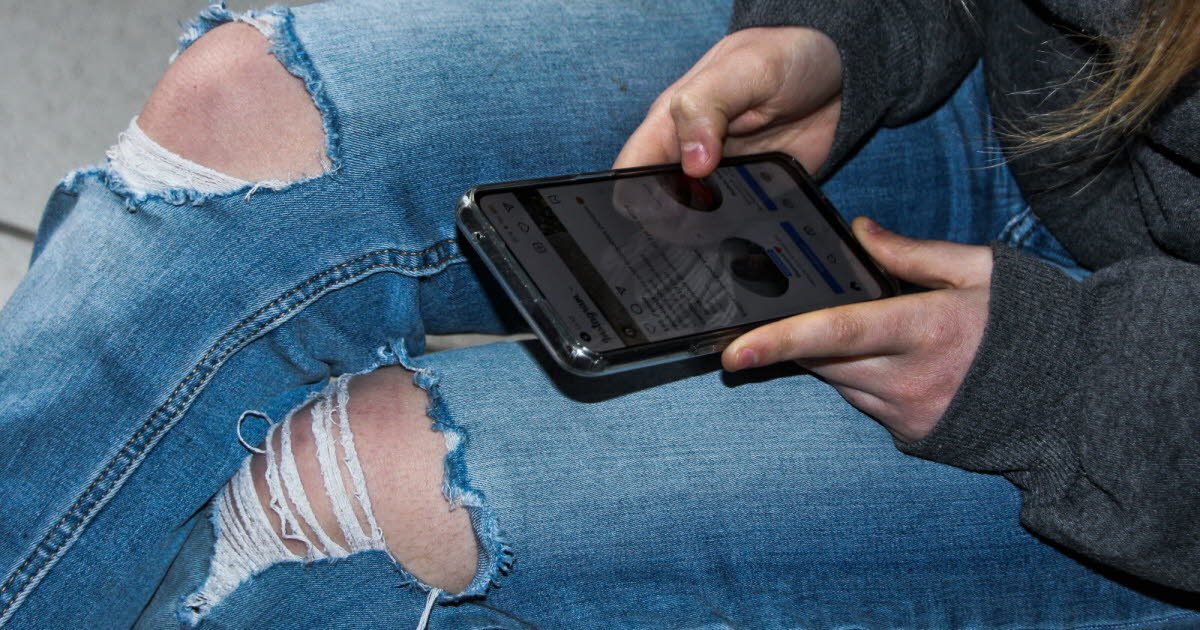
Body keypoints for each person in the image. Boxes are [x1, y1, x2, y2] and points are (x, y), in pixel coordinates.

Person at [0, 1, 1196, 628]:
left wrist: (1067, 382)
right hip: (1022, 87)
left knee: (355, 500)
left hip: (1156, 429)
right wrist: (846, 30)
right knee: (239, 120)